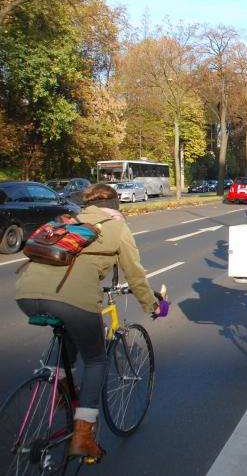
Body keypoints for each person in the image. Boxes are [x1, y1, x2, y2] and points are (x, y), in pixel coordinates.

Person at [15, 184, 166, 459]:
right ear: (116, 204)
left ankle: (59, 390)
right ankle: (83, 436)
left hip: (25, 295)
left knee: (71, 332)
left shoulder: (71, 221)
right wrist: (153, 305)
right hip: (71, 298)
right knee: (96, 360)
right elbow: (134, 274)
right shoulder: (117, 227)